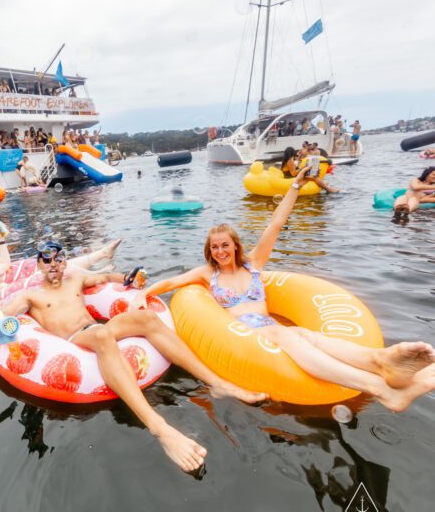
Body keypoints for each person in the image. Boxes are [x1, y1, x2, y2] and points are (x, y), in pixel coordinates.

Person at [135, 166, 435, 413]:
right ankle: (379, 388)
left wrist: (295, 187)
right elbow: (171, 283)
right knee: (284, 333)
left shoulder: (253, 264)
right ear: (209, 251)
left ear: (235, 245)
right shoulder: (207, 274)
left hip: (269, 327)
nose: (220, 252)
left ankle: (380, 361)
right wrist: (142, 294)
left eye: (225, 245)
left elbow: (275, 224)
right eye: (214, 248)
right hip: (245, 334)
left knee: (306, 334)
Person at [0, 242, 266, 471]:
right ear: (39, 265)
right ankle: (160, 429)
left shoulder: (75, 280)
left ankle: (217, 383)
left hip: (95, 327)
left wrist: (129, 279)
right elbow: (6, 313)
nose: (53, 265)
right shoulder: (31, 295)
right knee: (103, 335)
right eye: (47, 261)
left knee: (147, 320)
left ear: (64, 262)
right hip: (73, 340)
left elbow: (105, 278)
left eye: (58, 259)